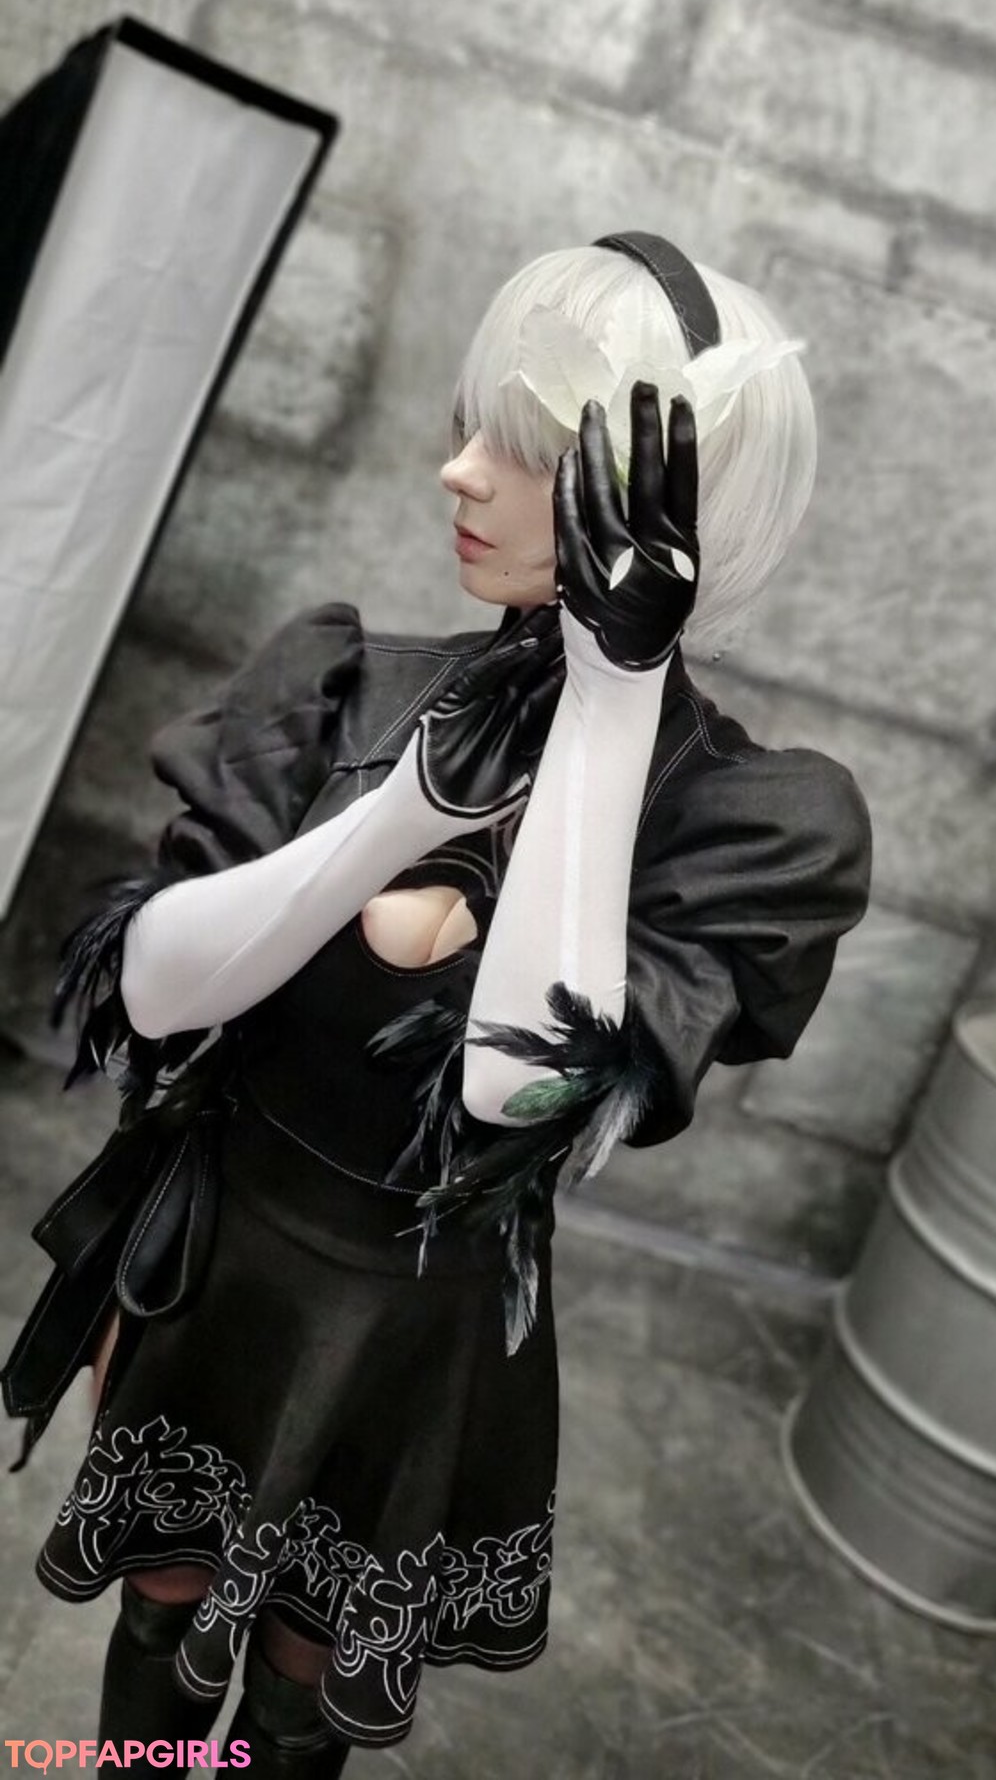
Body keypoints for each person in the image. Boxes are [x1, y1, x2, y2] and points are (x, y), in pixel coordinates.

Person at [1, 233, 871, 1771]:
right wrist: (397, 815)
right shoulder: (347, 684)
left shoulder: (746, 826)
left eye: (522, 448)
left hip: (414, 1328)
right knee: (158, 1615)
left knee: (297, 1693)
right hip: (221, 1255)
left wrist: (611, 701)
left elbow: (512, 1086)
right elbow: (150, 985)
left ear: (662, 508)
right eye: (471, 422)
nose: (457, 470)